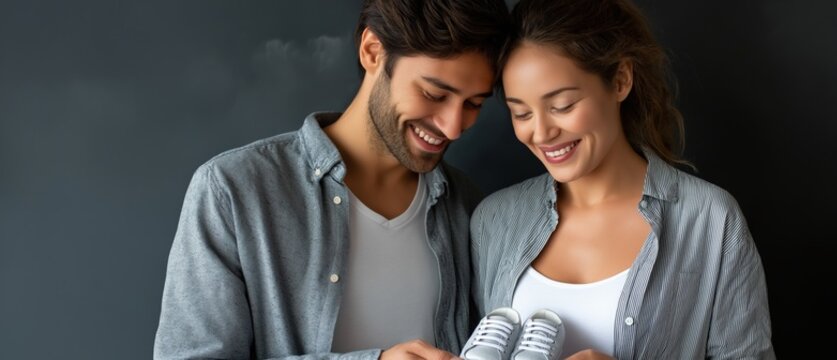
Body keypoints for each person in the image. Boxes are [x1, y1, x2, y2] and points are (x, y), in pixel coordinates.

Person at [153, 0, 508, 358]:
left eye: (474, 104)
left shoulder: (471, 208)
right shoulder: (233, 191)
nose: (453, 126)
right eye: (434, 94)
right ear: (373, 51)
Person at [469, 0, 775, 358]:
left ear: (620, 81)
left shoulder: (710, 219)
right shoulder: (493, 221)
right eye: (520, 113)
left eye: (563, 106)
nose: (541, 132)